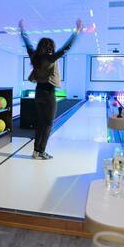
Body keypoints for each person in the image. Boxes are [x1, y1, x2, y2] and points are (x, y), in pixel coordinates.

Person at [19, 19, 83, 160]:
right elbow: (66, 47)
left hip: (38, 93)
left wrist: (22, 30)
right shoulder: (51, 58)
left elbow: (27, 43)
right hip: (49, 95)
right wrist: (76, 32)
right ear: (50, 48)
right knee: (48, 125)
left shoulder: (34, 57)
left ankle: (36, 151)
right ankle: (41, 152)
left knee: (40, 124)